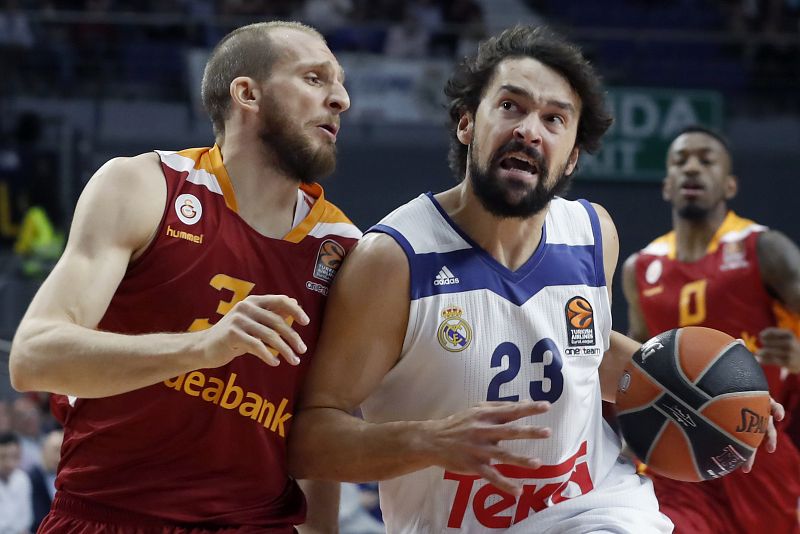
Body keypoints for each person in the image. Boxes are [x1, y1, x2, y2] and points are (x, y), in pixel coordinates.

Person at [288, 25, 677, 533]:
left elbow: (588, 352)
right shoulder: (394, 260)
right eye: (511, 106)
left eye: (554, 119)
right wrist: (427, 441)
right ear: (467, 123)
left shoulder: (590, 233)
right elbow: (310, 437)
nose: (529, 130)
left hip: (595, 507)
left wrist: (719, 395)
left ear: (573, 155)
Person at [9, 20, 360, 533]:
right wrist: (201, 349)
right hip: (109, 514)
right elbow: (34, 357)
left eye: (340, 83)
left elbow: (318, 428)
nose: (341, 99)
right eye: (315, 78)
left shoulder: (346, 250)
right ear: (248, 92)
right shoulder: (142, 187)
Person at [621, 125, 800, 533]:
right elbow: (633, 360)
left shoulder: (764, 249)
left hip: (759, 443)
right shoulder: (640, 268)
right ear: (666, 186)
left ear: (730, 184)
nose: (692, 169)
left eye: (706, 160)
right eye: (680, 161)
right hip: (678, 450)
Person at [27, 428, 62, 532]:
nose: (59, 456)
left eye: (63, 451)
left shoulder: (70, 480)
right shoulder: (31, 478)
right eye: (55, 450)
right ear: (43, 450)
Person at [0, 431, 33, 534]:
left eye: (14, 457)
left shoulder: (22, 479)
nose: (8, 464)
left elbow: (27, 520)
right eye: (3, 457)